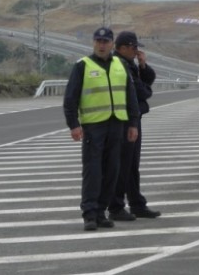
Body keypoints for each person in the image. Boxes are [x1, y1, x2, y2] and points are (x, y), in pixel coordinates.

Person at [63, 27, 140, 231]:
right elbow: (70, 98)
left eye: (106, 41)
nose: (102, 44)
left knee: (111, 171)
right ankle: (89, 214)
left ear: (112, 44)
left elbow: (130, 96)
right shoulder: (83, 66)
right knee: (93, 171)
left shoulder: (120, 66)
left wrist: (133, 123)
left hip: (117, 125)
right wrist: (73, 125)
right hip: (93, 126)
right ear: (93, 43)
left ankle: (101, 212)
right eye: (98, 41)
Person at [108, 31, 161, 221]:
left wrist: (143, 65)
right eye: (133, 48)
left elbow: (147, 82)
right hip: (123, 121)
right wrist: (145, 88)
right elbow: (142, 91)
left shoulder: (129, 64)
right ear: (122, 48)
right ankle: (116, 206)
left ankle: (137, 204)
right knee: (122, 166)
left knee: (131, 166)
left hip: (132, 119)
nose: (136, 51)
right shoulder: (119, 65)